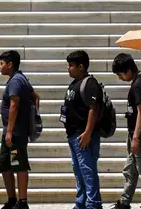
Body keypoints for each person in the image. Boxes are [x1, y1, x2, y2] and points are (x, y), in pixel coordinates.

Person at [111, 53, 141, 209]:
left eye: (120, 74)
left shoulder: (138, 85)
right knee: (130, 169)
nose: (120, 78)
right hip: (136, 135)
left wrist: (136, 137)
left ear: (129, 70)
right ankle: (125, 201)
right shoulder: (139, 81)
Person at [61, 50, 103, 209]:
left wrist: (87, 133)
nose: (68, 68)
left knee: (87, 171)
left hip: (83, 136)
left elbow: (94, 109)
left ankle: (93, 204)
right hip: (73, 135)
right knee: (79, 172)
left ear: (81, 67)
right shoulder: (74, 83)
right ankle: (82, 202)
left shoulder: (89, 83)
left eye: (71, 65)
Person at [0, 50, 39, 209]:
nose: (0, 67)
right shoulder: (20, 79)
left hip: (14, 134)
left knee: (18, 164)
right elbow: (36, 97)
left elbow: (14, 105)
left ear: (10, 64)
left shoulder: (16, 81)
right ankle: (12, 199)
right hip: (12, 132)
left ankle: (22, 202)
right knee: (5, 164)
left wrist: (10, 131)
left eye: (2, 64)